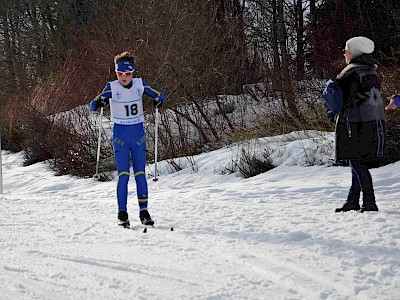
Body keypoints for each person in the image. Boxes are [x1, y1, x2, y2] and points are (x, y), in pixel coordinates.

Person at [89, 52, 165, 227]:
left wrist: (158, 101)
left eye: (127, 73)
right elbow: (92, 105)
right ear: (116, 72)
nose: (124, 77)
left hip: (137, 135)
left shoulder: (139, 84)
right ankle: (122, 213)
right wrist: (99, 101)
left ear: (133, 72)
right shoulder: (112, 87)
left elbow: (160, 95)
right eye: (120, 74)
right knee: (123, 175)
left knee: (140, 175)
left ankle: (144, 212)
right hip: (121, 137)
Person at [323, 36, 386, 213]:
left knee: (357, 163)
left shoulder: (350, 73)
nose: (344, 52)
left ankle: (369, 201)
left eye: (346, 49)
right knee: (357, 162)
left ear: (355, 52)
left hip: (356, 124)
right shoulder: (371, 71)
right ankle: (352, 200)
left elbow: (341, 100)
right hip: (374, 122)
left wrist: (333, 112)